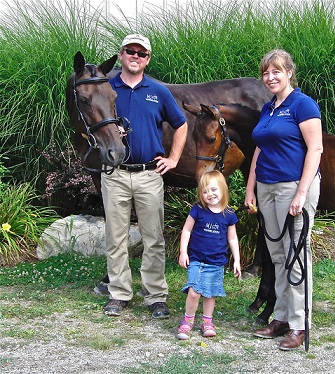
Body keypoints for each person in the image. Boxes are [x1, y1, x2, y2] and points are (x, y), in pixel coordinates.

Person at [102, 33, 188, 318]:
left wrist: (174, 158)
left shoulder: (158, 90)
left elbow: (181, 124)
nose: (135, 56)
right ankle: (119, 293)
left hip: (148, 174)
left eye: (141, 53)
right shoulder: (107, 87)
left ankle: (155, 296)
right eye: (130, 51)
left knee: (154, 238)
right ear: (121, 54)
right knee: (116, 238)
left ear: (147, 59)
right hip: (114, 174)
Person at [244, 49, 322, 351]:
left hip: (293, 188)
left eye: (276, 71)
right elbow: (259, 151)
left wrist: (301, 194)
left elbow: (315, 150)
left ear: (289, 72)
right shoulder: (269, 108)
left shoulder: (303, 105)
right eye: (266, 72)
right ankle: (280, 317)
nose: (270, 77)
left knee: (296, 256)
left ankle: (299, 324)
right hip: (266, 188)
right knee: (277, 256)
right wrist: (250, 188)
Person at [176, 170, 241, 340]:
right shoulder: (198, 210)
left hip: (216, 262)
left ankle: (207, 322)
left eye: (213, 190)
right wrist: (183, 251)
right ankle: (187, 322)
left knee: (210, 293)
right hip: (197, 259)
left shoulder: (229, 215)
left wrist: (237, 260)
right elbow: (187, 229)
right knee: (194, 292)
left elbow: (232, 238)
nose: (209, 194)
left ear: (223, 189)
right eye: (205, 192)